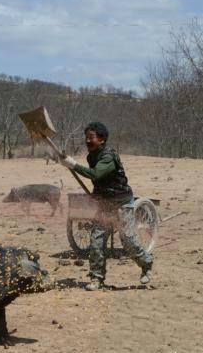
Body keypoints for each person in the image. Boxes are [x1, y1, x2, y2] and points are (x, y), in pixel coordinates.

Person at [59, 122, 153, 291]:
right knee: (96, 242)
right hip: (104, 205)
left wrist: (73, 164)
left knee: (128, 241)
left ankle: (146, 263)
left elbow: (96, 174)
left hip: (121, 203)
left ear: (101, 139)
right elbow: (98, 181)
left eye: (91, 138)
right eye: (86, 137)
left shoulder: (108, 156)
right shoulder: (91, 156)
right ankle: (97, 278)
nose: (87, 141)